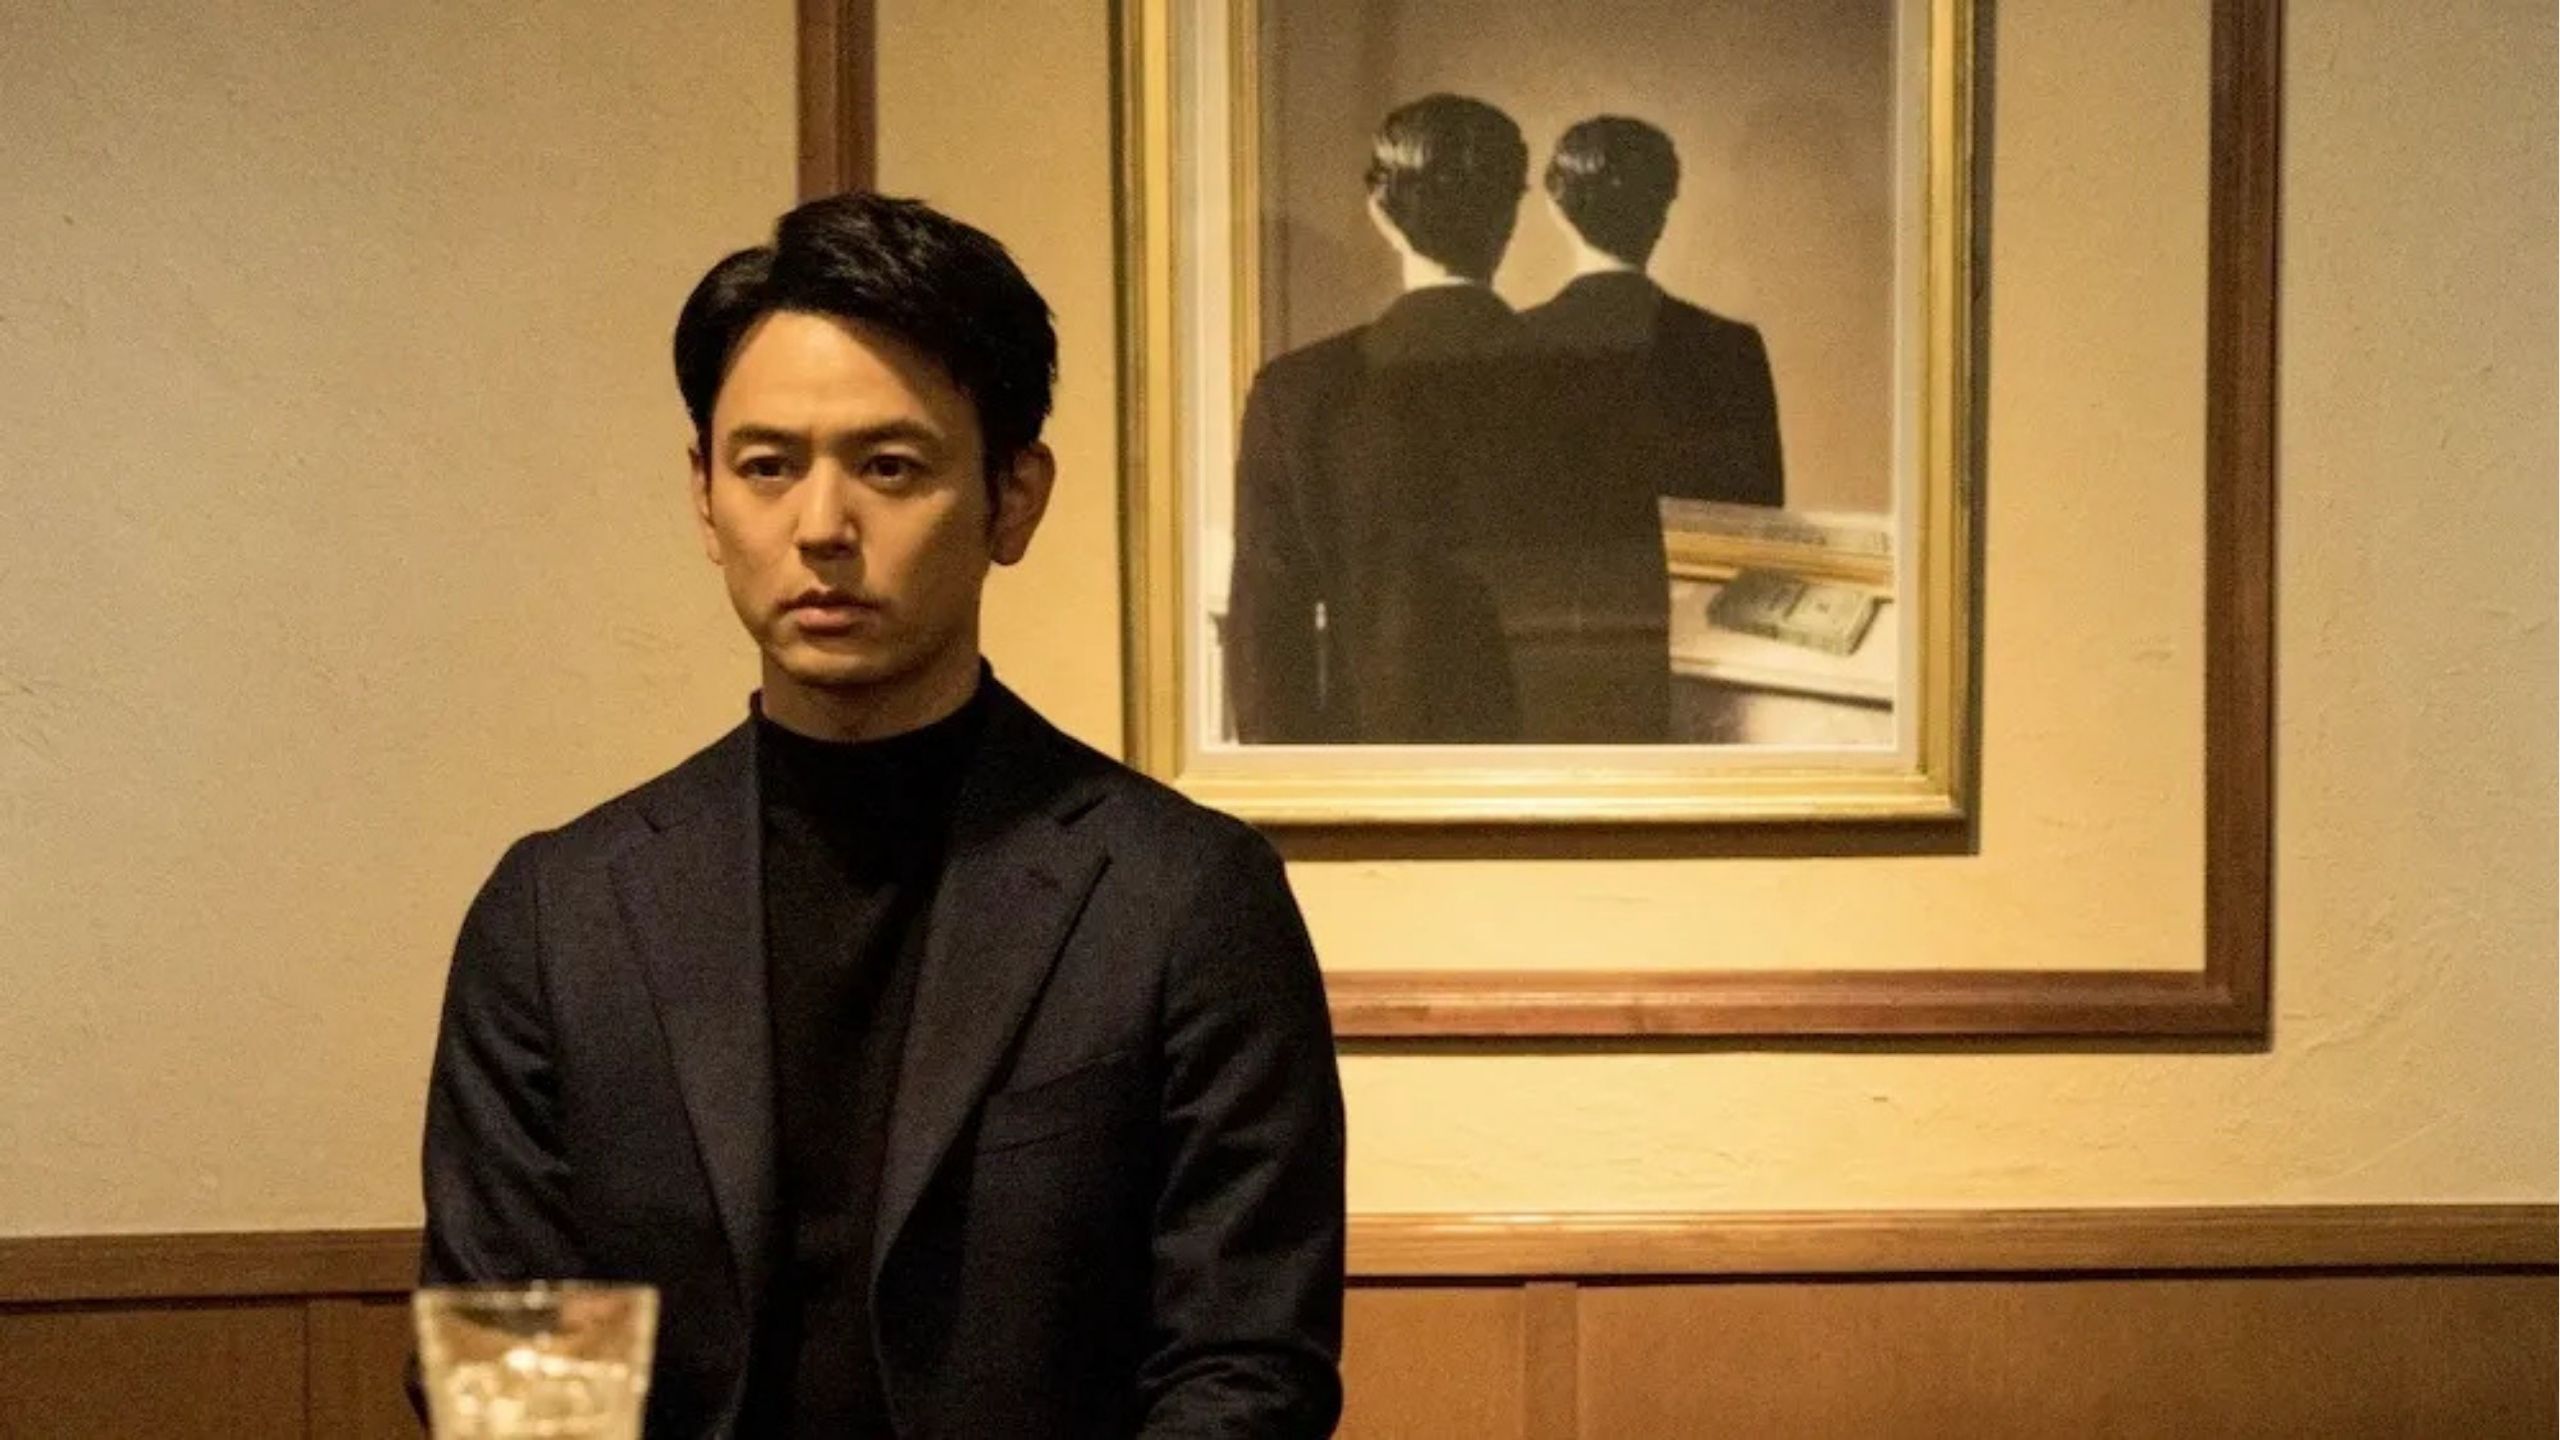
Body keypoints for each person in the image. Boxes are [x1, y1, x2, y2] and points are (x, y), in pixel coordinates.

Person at [419, 192, 1346, 1438]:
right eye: (767, 466)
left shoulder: (1182, 897)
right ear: (704, 497)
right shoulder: (557, 913)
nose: (821, 529)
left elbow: (1245, 1368)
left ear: (1013, 497)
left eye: (890, 467)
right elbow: (508, 1371)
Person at [1224, 93, 1532, 745]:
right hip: (1558, 778)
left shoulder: (1301, 392)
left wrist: (1301, 795)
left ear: (1381, 214)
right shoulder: (1583, 382)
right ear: (1511, 213)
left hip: (1367, 769)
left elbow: (1266, 645)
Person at [1526, 115, 1786, 510]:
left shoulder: (1509, 343)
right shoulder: (1730, 349)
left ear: (1555, 209)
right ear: (1663, 210)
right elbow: (1755, 525)